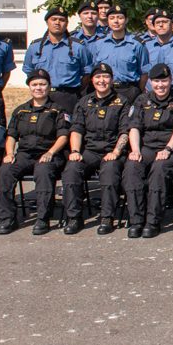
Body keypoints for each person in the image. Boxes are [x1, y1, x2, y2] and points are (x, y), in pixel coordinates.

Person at [0, 69, 71, 235]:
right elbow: (11, 135)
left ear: (49, 87)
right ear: (29, 87)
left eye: (42, 84)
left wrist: (50, 152)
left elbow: (63, 136)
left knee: (43, 171)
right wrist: (9, 154)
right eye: (34, 84)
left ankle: (43, 219)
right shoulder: (21, 111)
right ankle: (7, 219)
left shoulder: (58, 110)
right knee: (5, 172)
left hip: (50, 154)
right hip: (24, 155)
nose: (38, 88)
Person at [124, 63, 173, 238]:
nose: (160, 85)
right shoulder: (142, 100)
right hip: (147, 147)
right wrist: (135, 150)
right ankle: (136, 220)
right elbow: (134, 127)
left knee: (159, 168)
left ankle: (153, 221)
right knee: (132, 166)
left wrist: (168, 149)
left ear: (171, 80)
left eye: (164, 81)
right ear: (150, 83)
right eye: (156, 81)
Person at [61, 62, 130, 235]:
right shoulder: (84, 102)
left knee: (109, 171)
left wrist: (116, 152)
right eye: (98, 77)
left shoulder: (122, 102)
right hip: (90, 151)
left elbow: (125, 131)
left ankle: (107, 218)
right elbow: (76, 129)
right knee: (71, 170)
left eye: (106, 77)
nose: (102, 81)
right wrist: (75, 152)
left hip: (112, 150)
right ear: (92, 80)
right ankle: (74, 218)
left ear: (112, 80)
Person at [22, 6, 93, 114]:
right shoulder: (34, 47)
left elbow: (87, 73)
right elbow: (29, 71)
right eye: (54, 19)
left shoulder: (78, 47)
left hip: (68, 98)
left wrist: (73, 91)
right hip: (42, 97)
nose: (57, 23)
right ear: (47, 22)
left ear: (66, 23)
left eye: (61, 20)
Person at [87, 3, 149, 103]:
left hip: (130, 92)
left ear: (126, 20)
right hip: (105, 91)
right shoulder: (99, 44)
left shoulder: (137, 44)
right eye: (112, 18)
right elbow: (94, 69)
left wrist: (137, 91)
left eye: (120, 17)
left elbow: (144, 73)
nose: (116, 21)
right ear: (108, 21)